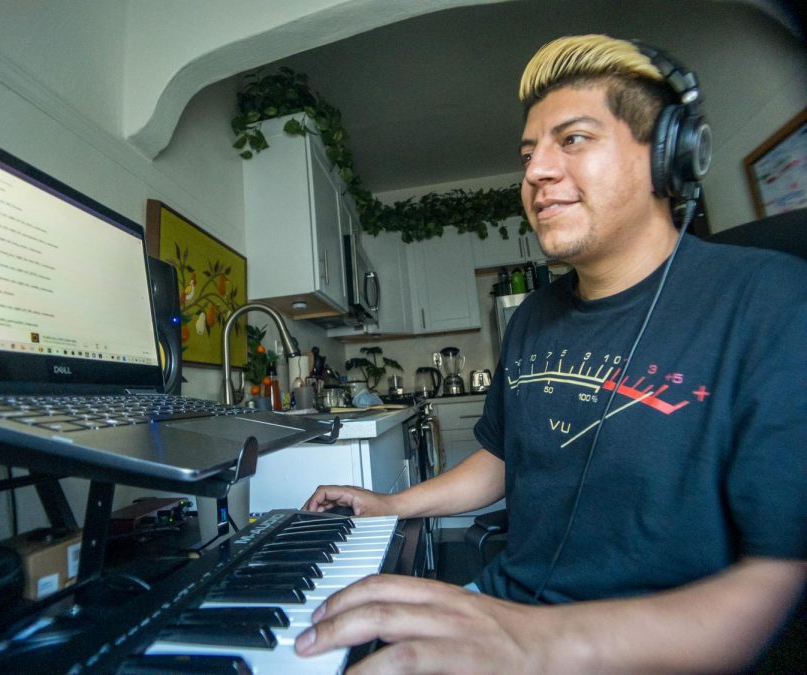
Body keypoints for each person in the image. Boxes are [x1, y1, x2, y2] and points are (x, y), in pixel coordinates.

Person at [297, 34, 806, 672]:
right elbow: (504, 458)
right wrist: (391, 505)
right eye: (529, 151)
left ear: (665, 157)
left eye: (573, 139)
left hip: (642, 648)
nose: (536, 170)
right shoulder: (535, 316)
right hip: (508, 605)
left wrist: (543, 645)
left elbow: (779, 577)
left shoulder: (769, 300)